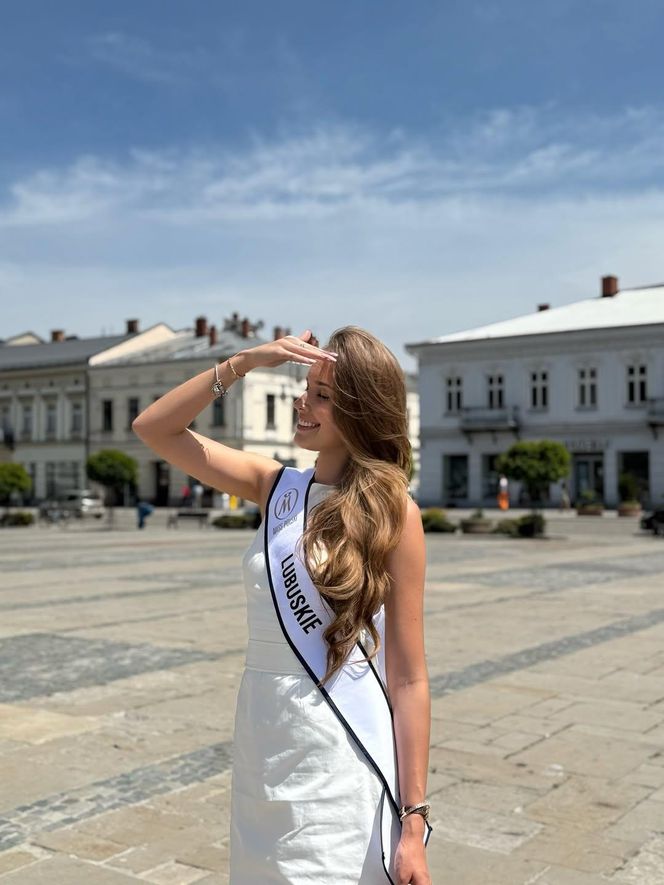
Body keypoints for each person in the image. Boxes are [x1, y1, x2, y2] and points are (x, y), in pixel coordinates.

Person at [132, 327, 432, 884]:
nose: (303, 402)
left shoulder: (396, 514)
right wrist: (244, 362)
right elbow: (154, 429)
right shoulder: (277, 489)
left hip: (338, 753)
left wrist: (413, 822)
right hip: (262, 742)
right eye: (306, 387)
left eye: (322, 394)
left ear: (360, 410)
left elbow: (409, 677)